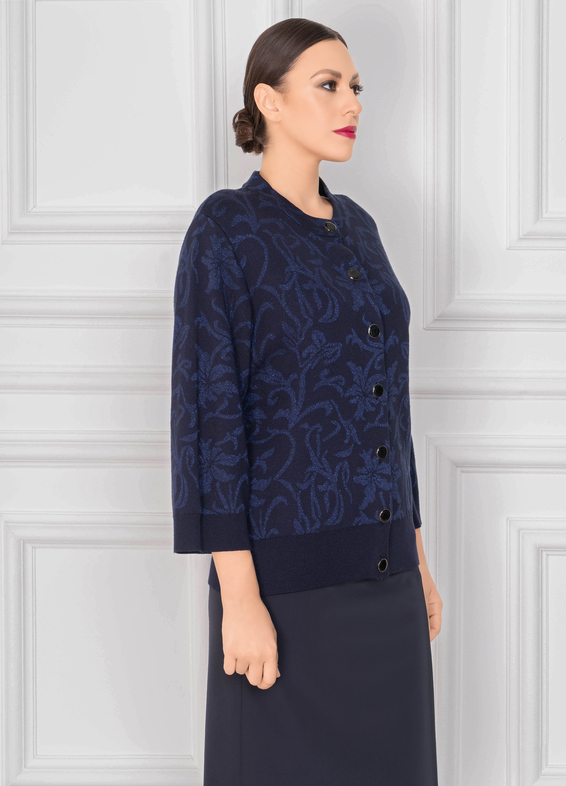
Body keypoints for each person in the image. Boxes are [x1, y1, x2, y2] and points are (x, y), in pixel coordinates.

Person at [170, 17, 443, 786]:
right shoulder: (227, 228)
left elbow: (387, 407)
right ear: (271, 101)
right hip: (286, 592)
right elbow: (211, 419)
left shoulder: (360, 228)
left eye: (355, 86)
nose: (351, 101)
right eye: (328, 85)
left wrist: (418, 561)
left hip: (388, 581)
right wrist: (240, 599)